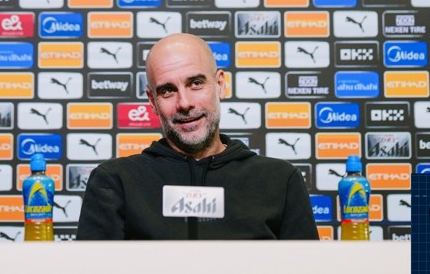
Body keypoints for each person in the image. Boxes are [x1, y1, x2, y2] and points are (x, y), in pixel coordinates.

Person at [76, 33, 319, 240]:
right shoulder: (115, 182)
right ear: (152, 101)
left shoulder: (280, 180)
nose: (184, 103)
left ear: (220, 84)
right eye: (168, 90)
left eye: (195, 83)